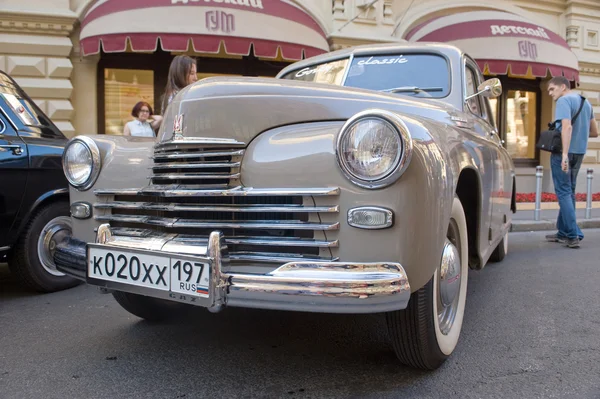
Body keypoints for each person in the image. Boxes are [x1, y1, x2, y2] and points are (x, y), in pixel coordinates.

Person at [545, 76, 598, 248]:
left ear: (563, 87)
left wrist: (565, 154)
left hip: (563, 153)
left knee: (563, 192)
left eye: (552, 89)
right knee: (569, 191)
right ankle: (563, 232)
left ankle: (573, 234)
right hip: (580, 152)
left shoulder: (564, 101)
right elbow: (595, 132)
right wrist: (579, 136)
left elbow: (566, 126)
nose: (550, 93)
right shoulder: (586, 102)